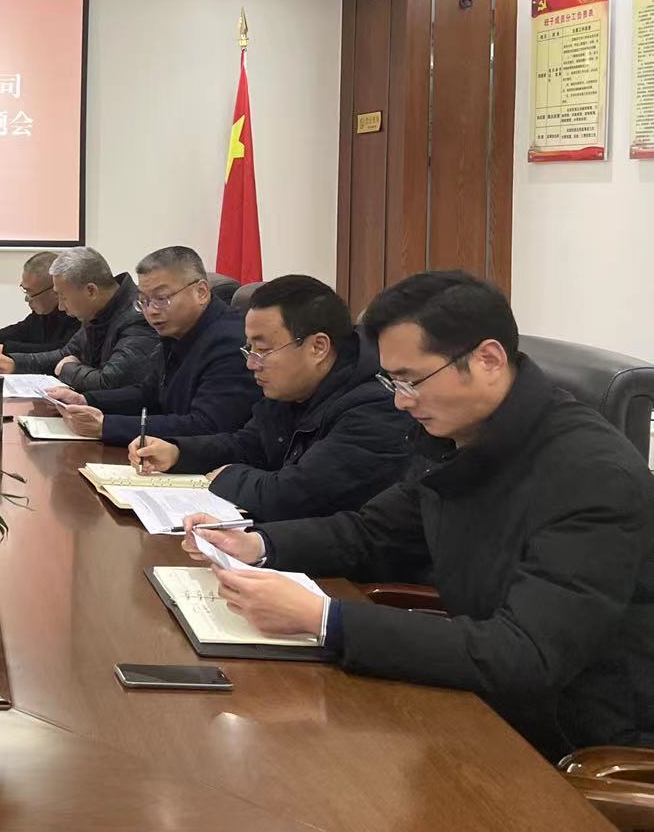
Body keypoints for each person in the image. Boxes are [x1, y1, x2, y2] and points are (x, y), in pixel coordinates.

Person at [184, 271, 654, 760]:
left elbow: (525, 652)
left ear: (488, 360)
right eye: (393, 379)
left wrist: (325, 619)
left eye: (412, 380)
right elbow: (373, 533)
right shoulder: (463, 436)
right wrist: (258, 543)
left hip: (569, 747)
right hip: (476, 701)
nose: (400, 400)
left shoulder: (593, 476)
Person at [126, 274, 410, 520]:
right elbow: (248, 445)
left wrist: (227, 477)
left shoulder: (377, 406)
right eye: (249, 349)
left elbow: (293, 496)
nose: (251, 363)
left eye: (263, 350)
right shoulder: (291, 387)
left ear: (318, 347)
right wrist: (178, 453)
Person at [50, 245, 260, 445]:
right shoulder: (175, 331)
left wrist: (106, 426)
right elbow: (149, 395)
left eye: (161, 298)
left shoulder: (231, 342)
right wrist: (86, 400)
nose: (151, 311)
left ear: (201, 292)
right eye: (144, 301)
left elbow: (207, 425)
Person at [0, 247, 157, 395]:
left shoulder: (138, 315)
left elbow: (109, 382)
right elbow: (64, 354)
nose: (61, 307)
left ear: (91, 291)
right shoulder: (96, 310)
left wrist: (66, 369)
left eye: (63, 297)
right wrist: (14, 363)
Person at [0, 251, 79, 356]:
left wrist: (6, 348)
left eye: (30, 292)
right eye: (25, 290)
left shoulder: (77, 314)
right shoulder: (43, 312)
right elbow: (23, 330)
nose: (26, 299)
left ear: (54, 291)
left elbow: (61, 351)